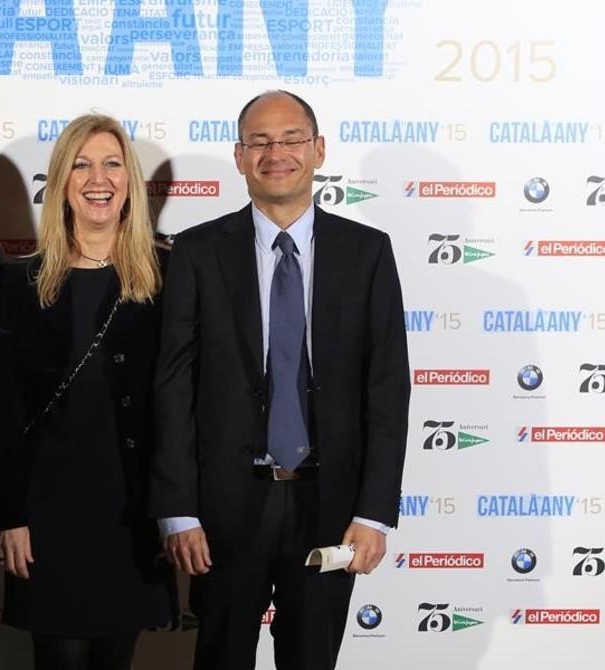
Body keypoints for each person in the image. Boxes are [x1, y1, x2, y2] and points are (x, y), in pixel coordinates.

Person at [151, 90, 411, 670]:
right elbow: (173, 387)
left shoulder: (368, 253)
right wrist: (179, 510)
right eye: (260, 142)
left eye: (292, 139)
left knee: (313, 658)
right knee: (219, 656)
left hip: (331, 504)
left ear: (318, 150)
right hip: (223, 506)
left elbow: (387, 390)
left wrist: (373, 514)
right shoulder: (196, 251)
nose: (277, 153)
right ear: (240, 157)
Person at [0, 114, 175, 670]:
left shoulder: (169, 276)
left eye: (113, 163)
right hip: (46, 516)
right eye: (83, 164)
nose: (99, 177)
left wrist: (178, 512)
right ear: (62, 182)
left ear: (131, 182)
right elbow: (3, 408)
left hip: (132, 516)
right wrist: (6, 514)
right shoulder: (17, 283)